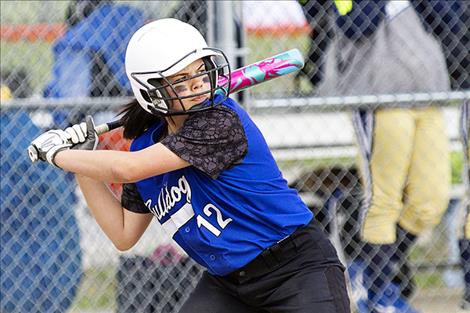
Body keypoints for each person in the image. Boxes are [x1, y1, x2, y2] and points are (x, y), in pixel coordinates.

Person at [29, 18, 351, 313]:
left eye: (199, 71)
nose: (197, 83)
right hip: (229, 284)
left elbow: (126, 169)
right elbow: (124, 234)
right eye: (181, 80)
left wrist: (58, 155)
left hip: (295, 268)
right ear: (150, 91)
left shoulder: (219, 120)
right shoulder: (145, 145)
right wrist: (84, 163)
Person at [300, 1, 452, 312]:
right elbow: (356, 25)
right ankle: (381, 294)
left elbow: (447, 22)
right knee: (384, 199)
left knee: (431, 201)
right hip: (378, 97)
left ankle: (370, 268)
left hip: (428, 94)